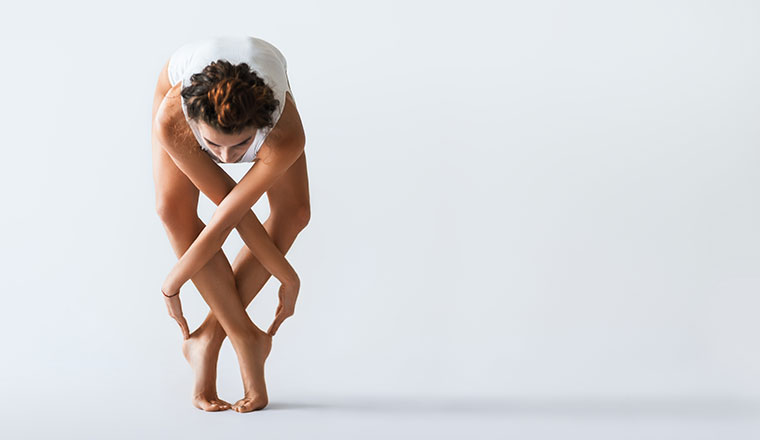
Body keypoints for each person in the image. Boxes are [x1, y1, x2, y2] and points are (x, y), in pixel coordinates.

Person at [150, 35, 309, 413]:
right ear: (195, 125)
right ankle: (243, 338)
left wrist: (290, 277)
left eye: (239, 148)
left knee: (295, 213)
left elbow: (232, 218)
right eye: (214, 147)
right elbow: (227, 215)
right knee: (172, 208)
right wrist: (171, 286)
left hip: (263, 106)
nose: (224, 158)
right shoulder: (174, 119)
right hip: (178, 106)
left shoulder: (284, 134)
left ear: (260, 128)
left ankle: (208, 337)